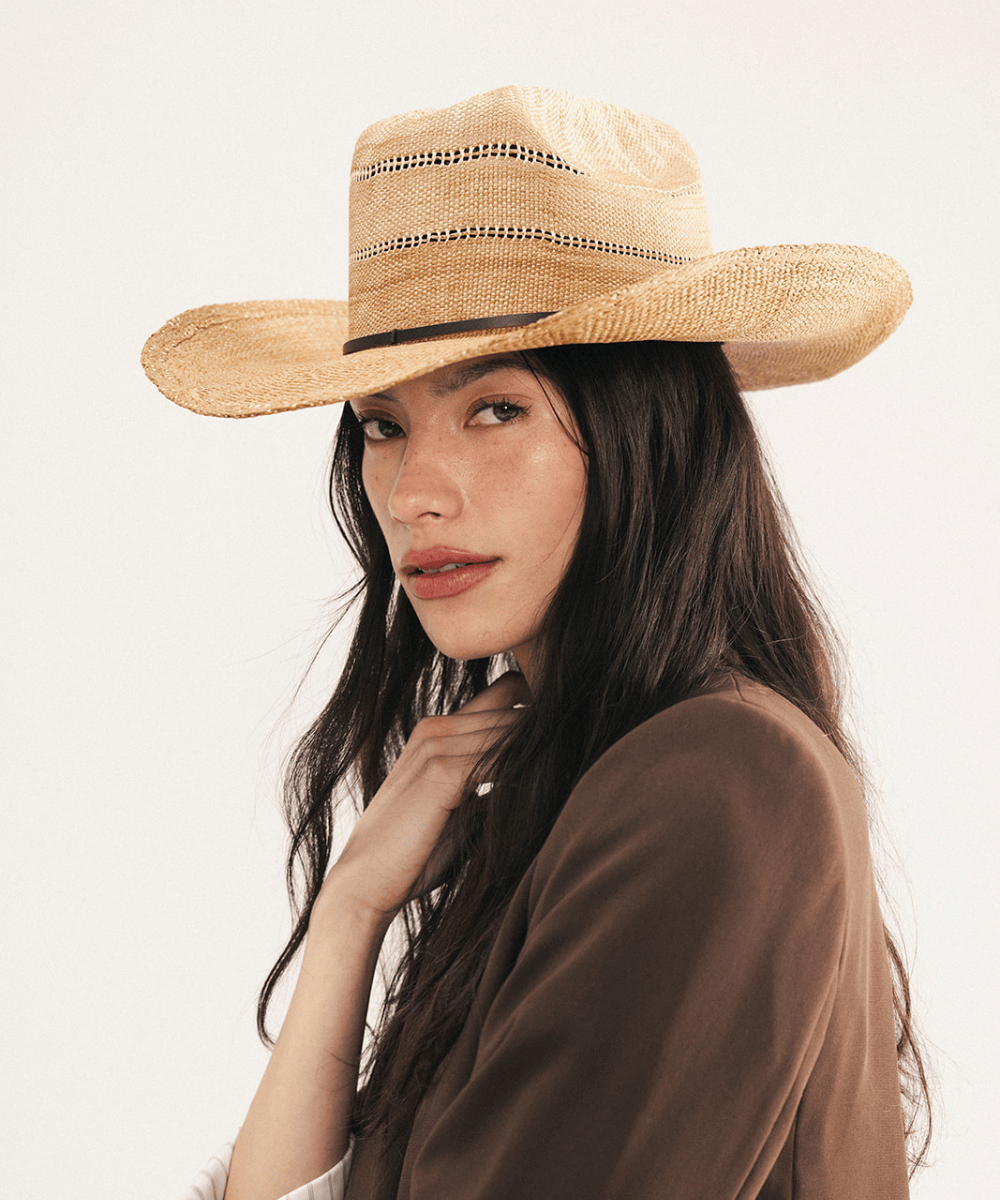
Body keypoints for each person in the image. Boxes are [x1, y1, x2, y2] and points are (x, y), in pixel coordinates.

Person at [142, 86, 930, 1200]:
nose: (413, 493)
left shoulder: (716, 776)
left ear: (644, 433)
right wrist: (353, 912)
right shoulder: (584, 784)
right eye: (384, 426)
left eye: (495, 409)